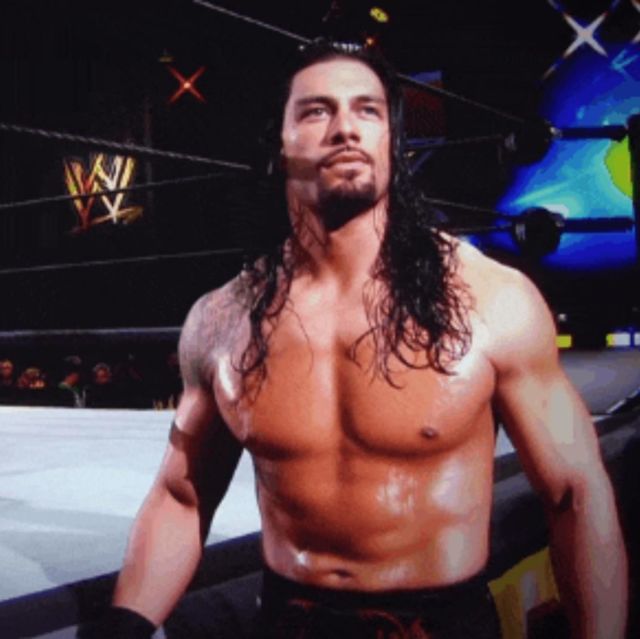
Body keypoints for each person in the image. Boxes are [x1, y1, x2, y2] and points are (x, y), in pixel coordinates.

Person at [98, 41, 627, 638]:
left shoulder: (492, 300)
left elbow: (576, 494)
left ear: (391, 141)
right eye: (317, 111)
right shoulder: (223, 320)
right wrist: (124, 626)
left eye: (367, 110)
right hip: (289, 622)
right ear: (279, 142)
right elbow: (181, 497)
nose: (346, 128)